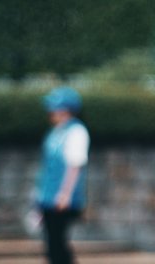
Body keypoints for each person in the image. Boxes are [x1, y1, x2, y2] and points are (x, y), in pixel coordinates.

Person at [33, 87, 89, 264]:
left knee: (57, 242)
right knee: (52, 242)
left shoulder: (76, 131)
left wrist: (65, 194)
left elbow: (74, 165)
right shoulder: (56, 132)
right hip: (48, 196)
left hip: (61, 199)